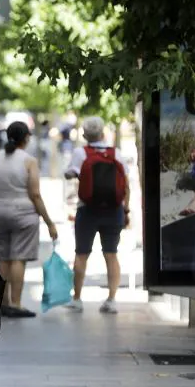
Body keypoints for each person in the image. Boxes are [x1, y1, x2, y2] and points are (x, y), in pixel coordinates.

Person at [0, 121, 58, 318]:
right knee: (18, 258)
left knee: (3, 257)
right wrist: (49, 222)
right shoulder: (28, 161)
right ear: (26, 138)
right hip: (24, 213)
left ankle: (2, 302)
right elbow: (35, 194)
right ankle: (17, 304)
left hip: (0, 210)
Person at [64, 116, 130, 314]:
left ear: (84, 135)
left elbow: (70, 173)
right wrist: (126, 209)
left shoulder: (79, 152)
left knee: (81, 254)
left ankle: (77, 299)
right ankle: (111, 299)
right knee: (111, 254)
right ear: (103, 133)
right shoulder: (115, 153)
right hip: (113, 211)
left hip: (88, 210)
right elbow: (126, 184)